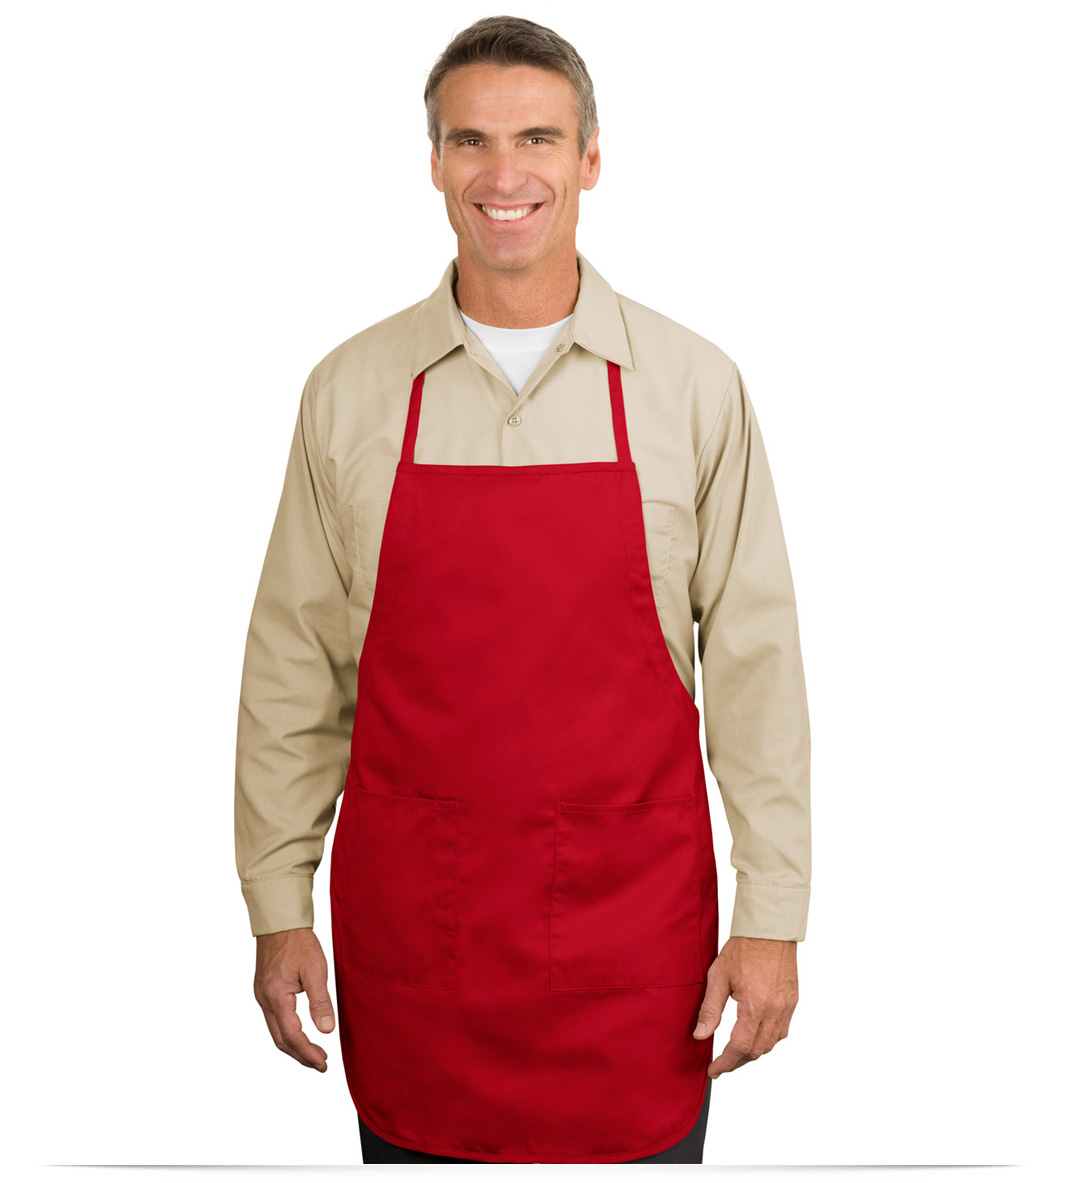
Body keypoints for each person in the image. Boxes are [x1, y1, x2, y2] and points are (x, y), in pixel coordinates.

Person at [234, 14, 811, 1166]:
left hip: (632, 947)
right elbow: (294, 665)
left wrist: (772, 917)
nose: (503, 174)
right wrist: (276, 898)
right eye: (470, 141)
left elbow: (756, 669)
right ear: (433, 162)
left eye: (536, 138)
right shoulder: (348, 391)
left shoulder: (691, 387)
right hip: (418, 945)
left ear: (589, 158)